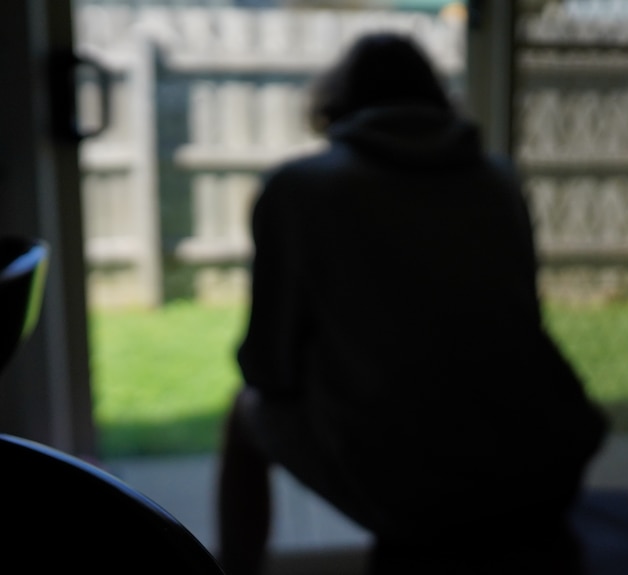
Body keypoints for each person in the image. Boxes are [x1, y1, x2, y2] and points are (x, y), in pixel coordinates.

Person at [217, 32, 607, 575]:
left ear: (336, 106)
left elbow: (268, 369)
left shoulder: (300, 189)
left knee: (245, 411)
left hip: (416, 494)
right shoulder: (498, 179)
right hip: (548, 467)